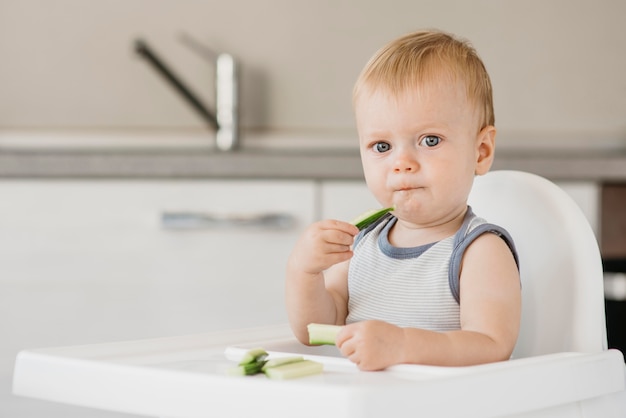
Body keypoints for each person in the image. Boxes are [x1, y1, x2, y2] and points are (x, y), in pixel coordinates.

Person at [285, 29, 521, 371]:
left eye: (429, 140)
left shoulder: (478, 250)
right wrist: (303, 272)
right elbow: (315, 331)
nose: (402, 162)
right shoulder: (361, 245)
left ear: (480, 151)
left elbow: (491, 344)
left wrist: (402, 345)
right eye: (382, 146)